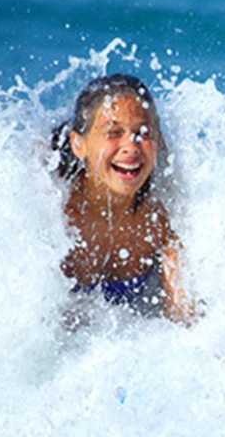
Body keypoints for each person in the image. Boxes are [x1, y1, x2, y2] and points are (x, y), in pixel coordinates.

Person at [50, 73, 195, 325]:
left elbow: (186, 325)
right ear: (79, 144)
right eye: (114, 132)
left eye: (144, 132)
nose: (132, 145)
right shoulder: (51, 214)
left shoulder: (163, 222)